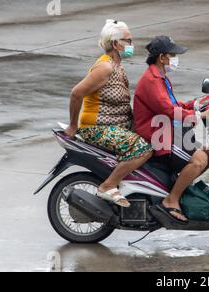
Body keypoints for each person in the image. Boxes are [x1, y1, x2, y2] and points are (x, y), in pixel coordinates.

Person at [133, 36, 209, 223]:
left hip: (169, 129)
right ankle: (171, 200)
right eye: (172, 55)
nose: (175, 58)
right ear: (162, 57)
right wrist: (199, 116)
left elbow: (172, 104)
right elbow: (168, 110)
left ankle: (179, 189)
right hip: (156, 134)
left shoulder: (160, 77)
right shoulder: (151, 79)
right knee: (199, 160)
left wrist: (195, 105)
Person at [65, 19, 153, 208]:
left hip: (116, 126)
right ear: (115, 44)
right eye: (127, 41)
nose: (131, 45)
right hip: (97, 128)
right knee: (144, 149)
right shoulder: (105, 67)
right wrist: (73, 125)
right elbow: (76, 93)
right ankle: (109, 185)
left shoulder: (117, 66)